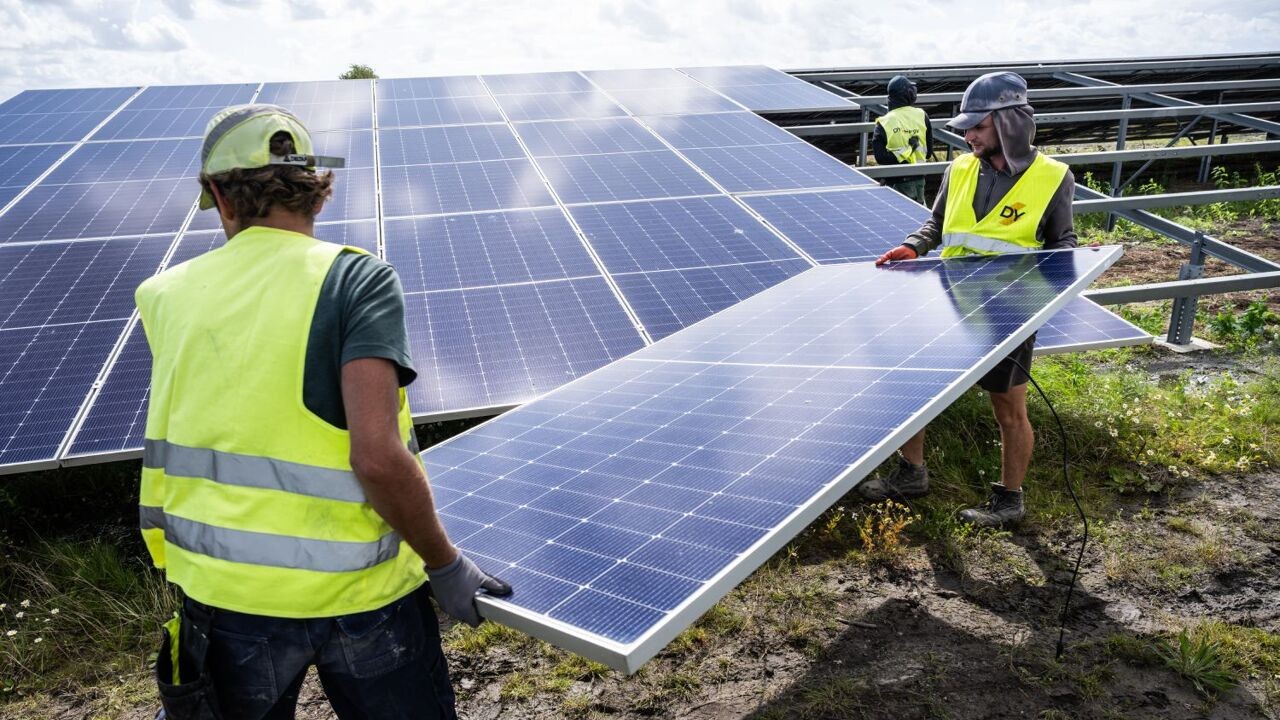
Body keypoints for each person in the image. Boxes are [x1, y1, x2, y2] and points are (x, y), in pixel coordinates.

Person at [136, 104, 509, 719]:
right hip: (364, 595)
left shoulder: (163, 295)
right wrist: (445, 564)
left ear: (220, 198)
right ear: (317, 190)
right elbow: (378, 458)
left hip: (223, 597)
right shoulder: (354, 280)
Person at [858, 72, 1077, 528]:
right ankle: (911, 473)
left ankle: (1009, 499)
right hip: (950, 302)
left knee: (1007, 407)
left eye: (977, 126)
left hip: (1008, 311)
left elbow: (1062, 248)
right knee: (913, 387)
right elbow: (936, 225)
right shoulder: (957, 169)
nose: (968, 134)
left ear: (1010, 123)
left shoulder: (1053, 177)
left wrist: (1045, 299)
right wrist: (913, 247)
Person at [871, 74, 933, 205]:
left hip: (895, 183)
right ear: (908, 94)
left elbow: (880, 158)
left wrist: (902, 153)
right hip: (919, 180)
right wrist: (910, 150)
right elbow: (928, 153)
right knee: (919, 218)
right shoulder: (922, 115)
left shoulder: (884, 122)